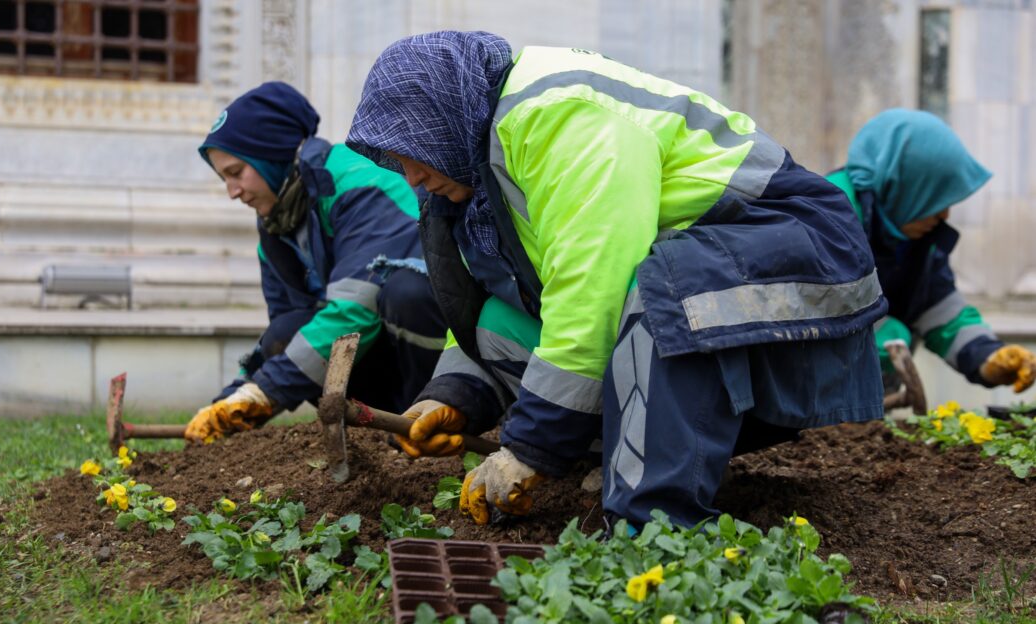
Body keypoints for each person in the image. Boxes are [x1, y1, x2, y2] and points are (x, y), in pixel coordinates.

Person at [345, 31, 888, 529]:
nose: (410, 177)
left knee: (662, 289)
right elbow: (497, 298)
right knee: (492, 325)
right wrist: (456, 394)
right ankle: (620, 465)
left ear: (443, 121)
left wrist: (530, 447)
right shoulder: (482, 164)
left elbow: (596, 288)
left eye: (411, 154)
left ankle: (653, 528)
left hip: (799, 250)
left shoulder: (557, 116)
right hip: (709, 286)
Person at [185, 82, 446, 444]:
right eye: (224, 178)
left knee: (406, 293)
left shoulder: (360, 182)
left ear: (270, 156)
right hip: (382, 356)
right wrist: (233, 399)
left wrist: (266, 391)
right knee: (284, 334)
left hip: (444, 353)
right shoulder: (277, 228)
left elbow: (357, 307)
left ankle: (433, 420)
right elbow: (290, 332)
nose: (232, 192)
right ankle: (377, 437)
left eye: (235, 172)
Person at [827, 109, 1035, 397]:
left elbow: (937, 306)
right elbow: (818, 311)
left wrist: (989, 357)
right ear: (905, 183)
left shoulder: (908, 231)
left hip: (859, 400)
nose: (944, 214)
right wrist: (884, 337)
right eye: (934, 198)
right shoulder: (825, 217)